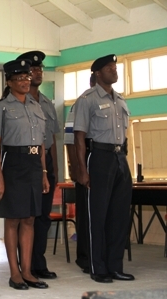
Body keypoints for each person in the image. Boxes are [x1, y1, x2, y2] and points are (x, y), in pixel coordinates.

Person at [0, 59, 50, 290]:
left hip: (34, 164)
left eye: (27, 78)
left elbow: (42, 145)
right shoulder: (1, 107)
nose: (25, 82)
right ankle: (14, 273)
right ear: (10, 81)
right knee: (13, 219)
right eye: (20, 78)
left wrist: (44, 173)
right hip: (13, 164)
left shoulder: (37, 106)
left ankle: (27, 271)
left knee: (30, 219)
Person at [74, 54, 134, 283]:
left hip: (120, 158)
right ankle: (97, 267)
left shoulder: (120, 100)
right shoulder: (87, 100)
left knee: (119, 216)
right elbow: (79, 137)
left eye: (115, 67)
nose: (114, 70)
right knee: (97, 216)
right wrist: (81, 170)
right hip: (98, 157)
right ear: (98, 73)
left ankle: (115, 266)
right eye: (109, 67)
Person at [17, 51, 59, 280]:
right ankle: (24, 265)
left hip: (46, 164)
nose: (38, 72)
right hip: (25, 163)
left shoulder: (47, 104)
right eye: (33, 69)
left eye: (40, 69)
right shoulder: (15, 102)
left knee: (43, 216)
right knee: (24, 216)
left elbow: (51, 138)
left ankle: (38, 263)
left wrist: (56, 170)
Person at [64, 73, 96, 274]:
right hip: (85, 161)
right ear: (93, 82)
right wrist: (76, 169)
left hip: (104, 161)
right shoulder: (81, 104)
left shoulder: (113, 100)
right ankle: (85, 257)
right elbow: (71, 139)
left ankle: (100, 255)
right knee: (85, 214)